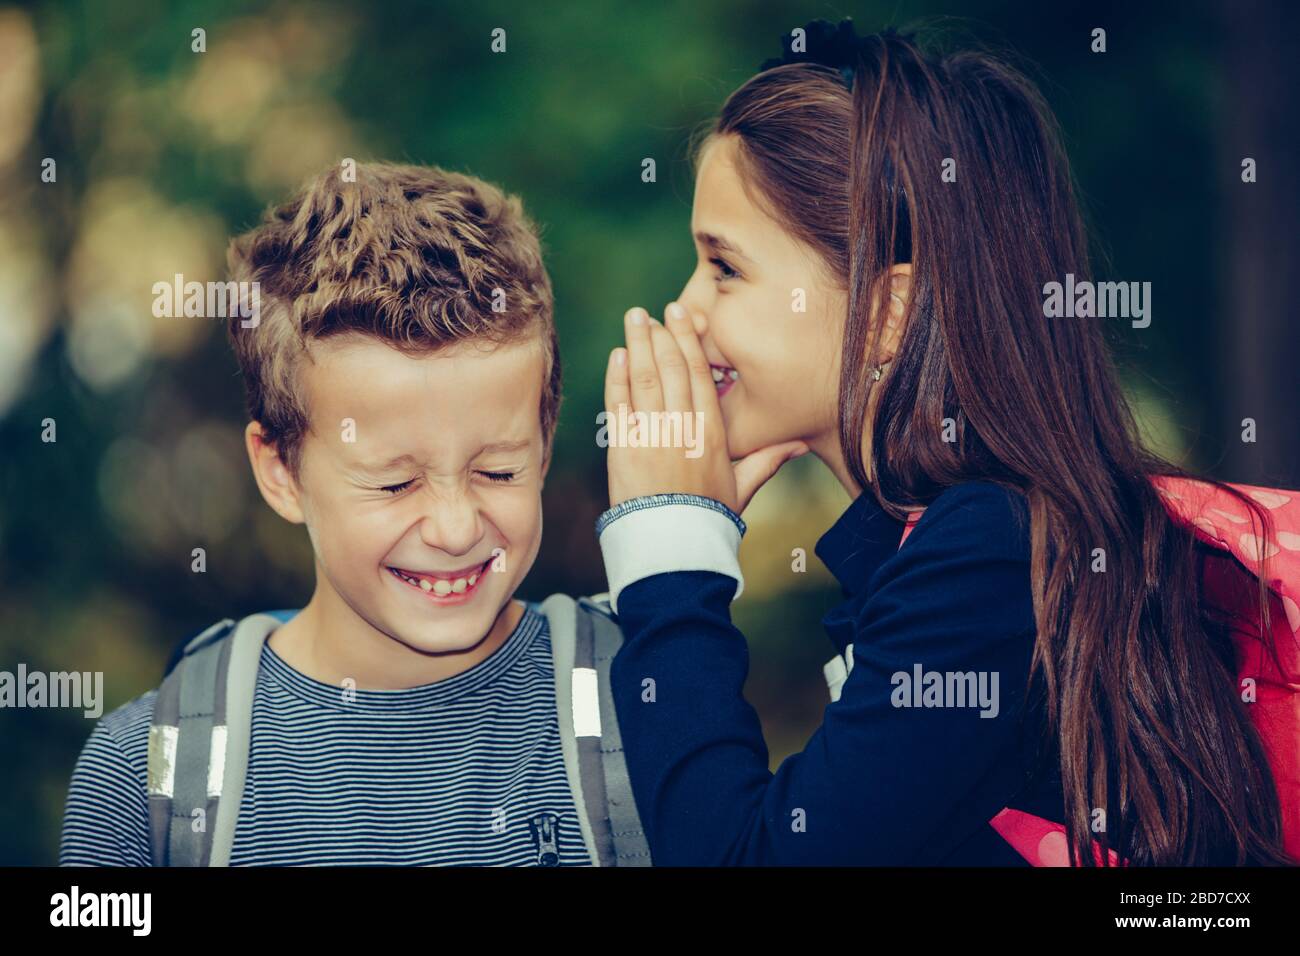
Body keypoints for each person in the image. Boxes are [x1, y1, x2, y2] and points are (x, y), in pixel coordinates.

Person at [596, 21, 1295, 865]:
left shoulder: (988, 559)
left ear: (888, 312)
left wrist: (667, 551)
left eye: (725, 267)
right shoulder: (985, 543)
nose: (684, 310)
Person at [60, 162, 630, 866]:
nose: (454, 528)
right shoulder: (144, 784)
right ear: (280, 472)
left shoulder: (642, 706)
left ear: (544, 448)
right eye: (394, 485)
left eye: (497, 470)